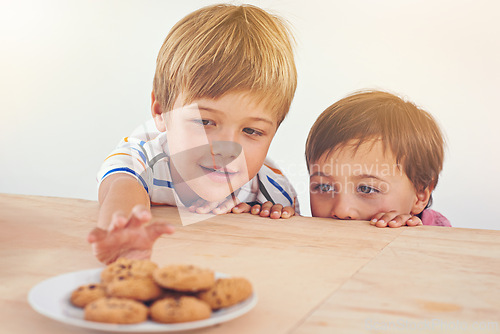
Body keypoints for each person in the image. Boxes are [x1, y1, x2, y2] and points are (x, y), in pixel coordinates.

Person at [89, 4, 299, 264]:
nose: (227, 148)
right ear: (161, 110)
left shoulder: (270, 187)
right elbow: (120, 188)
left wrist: (276, 215)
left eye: (251, 131)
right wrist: (124, 231)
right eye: (205, 121)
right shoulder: (143, 159)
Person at [305, 90, 451, 228]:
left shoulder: (440, 240)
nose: (342, 211)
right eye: (324, 187)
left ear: (420, 195)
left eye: (366, 189)